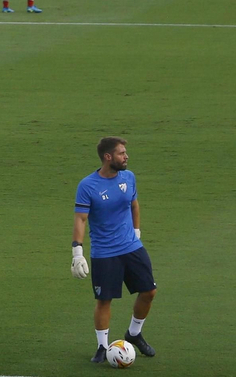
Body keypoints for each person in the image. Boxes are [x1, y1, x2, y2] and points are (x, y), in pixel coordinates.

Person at [73, 137, 158, 364]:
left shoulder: (129, 178)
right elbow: (81, 219)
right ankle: (102, 347)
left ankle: (134, 333)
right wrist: (77, 253)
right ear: (108, 157)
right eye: (121, 153)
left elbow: (134, 205)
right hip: (104, 252)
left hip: (131, 247)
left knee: (149, 292)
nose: (126, 156)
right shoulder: (88, 185)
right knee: (104, 300)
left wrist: (136, 233)